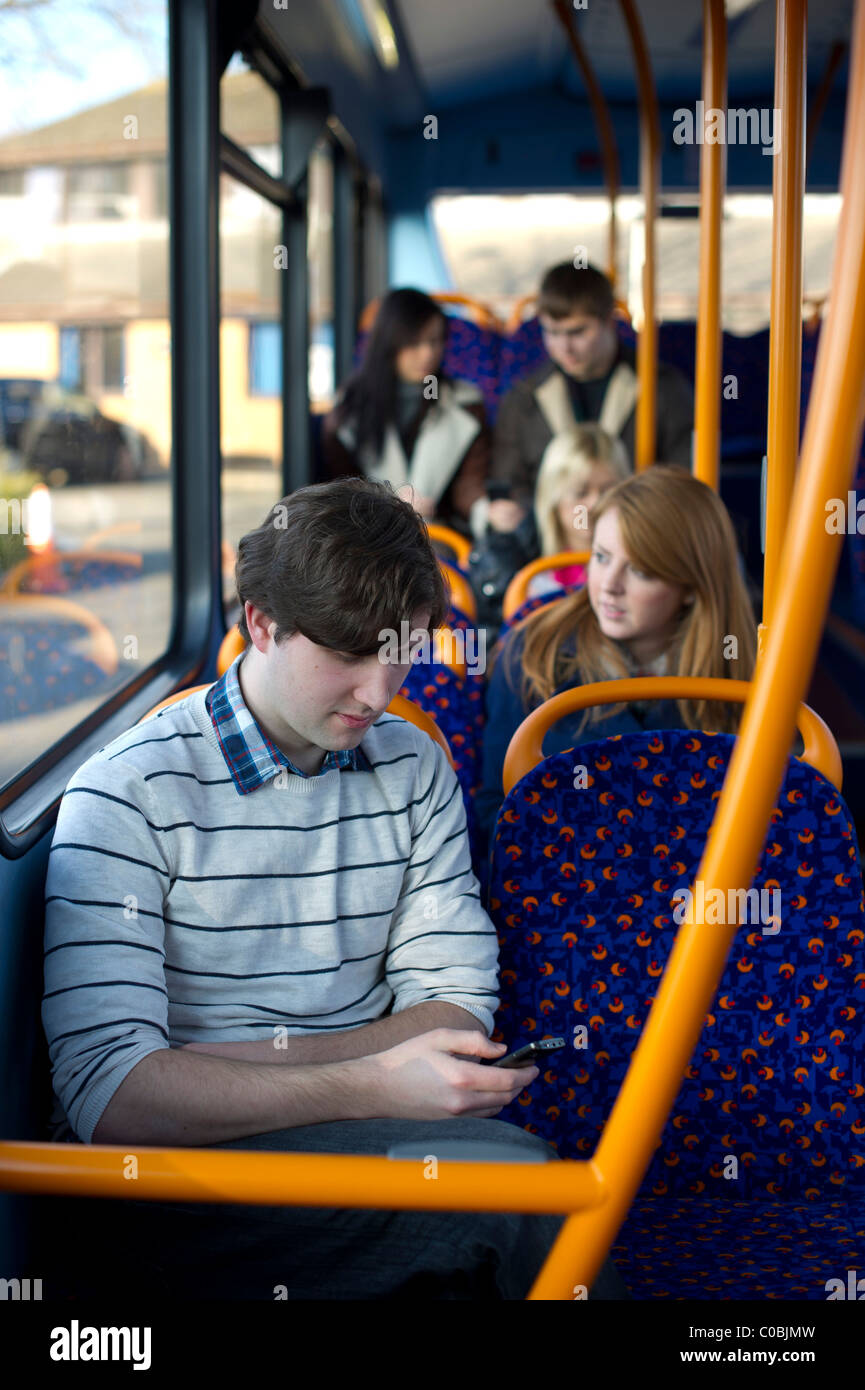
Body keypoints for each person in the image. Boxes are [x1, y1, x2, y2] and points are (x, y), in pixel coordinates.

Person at [40, 476, 628, 1301]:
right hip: (170, 1176)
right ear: (261, 624)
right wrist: (373, 1077)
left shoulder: (412, 765)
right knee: (529, 1200)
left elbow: (456, 1006)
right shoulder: (129, 793)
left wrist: (219, 1063)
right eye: (348, 655)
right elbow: (116, 1096)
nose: (379, 694)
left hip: (353, 1133)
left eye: (401, 656)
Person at [476, 466, 757, 843]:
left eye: (640, 571)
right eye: (602, 557)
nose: (609, 586)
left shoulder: (736, 676)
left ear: (691, 586)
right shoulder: (533, 654)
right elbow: (497, 807)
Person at [489, 262, 694, 524]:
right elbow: (508, 484)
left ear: (609, 321)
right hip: (548, 543)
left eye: (577, 332)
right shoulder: (523, 398)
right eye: (552, 333)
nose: (564, 347)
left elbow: (683, 480)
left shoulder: (663, 389)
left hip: (639, 533)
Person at [321, 287, 491, 538]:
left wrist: (484, 510)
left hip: (443, 533)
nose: (427, 354)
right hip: (368, 534)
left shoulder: (467, 404)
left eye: (434, 341)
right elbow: (339, 489)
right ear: (389, 344)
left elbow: (470, 484)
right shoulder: (348, 411)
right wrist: (387, 503)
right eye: (414, 343)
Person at [527, 426, 631, 597]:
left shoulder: (640, 574)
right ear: (554, 502)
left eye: (607, 491)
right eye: (580, 493)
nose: (595, 503)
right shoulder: (539, 585)